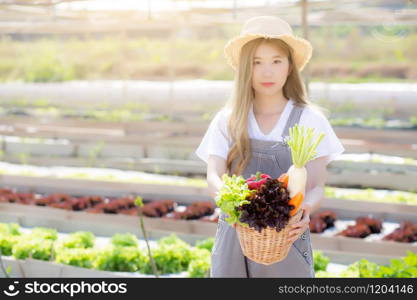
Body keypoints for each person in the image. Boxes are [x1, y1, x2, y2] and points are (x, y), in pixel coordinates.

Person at [194, 16, 345, 278]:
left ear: (289, 67)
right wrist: (234, 206)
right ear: (244, 68)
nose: (267, 72)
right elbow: (213, 176)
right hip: (234, 236)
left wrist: (305, 210)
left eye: (276, 61)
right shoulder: (227, 119)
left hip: (286, 237)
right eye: (257, 62)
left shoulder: (310, 119)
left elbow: (316, 185)